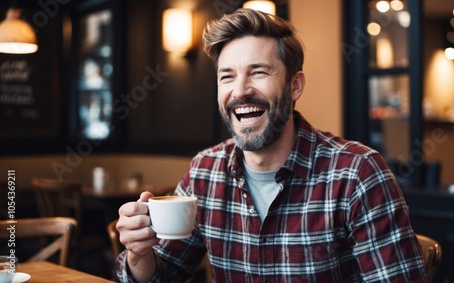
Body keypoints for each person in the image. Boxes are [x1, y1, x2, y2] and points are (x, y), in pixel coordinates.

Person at [115, 8, 426, 282]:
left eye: (258, 72)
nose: (240, 91)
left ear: (295, 85)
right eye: (227, 77)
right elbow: (164, 273)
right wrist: (139, 254)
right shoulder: (205, 171)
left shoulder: (358, 174)